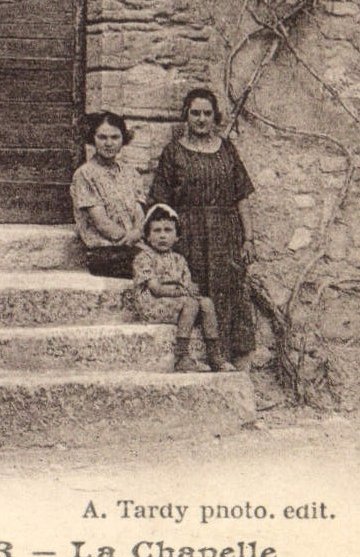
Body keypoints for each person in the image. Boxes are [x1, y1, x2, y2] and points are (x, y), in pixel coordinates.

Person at [147, 86, 256, 367]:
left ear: (215, 117)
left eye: (207, 113)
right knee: (195, 293)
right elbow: (161, 203)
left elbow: (241, 196)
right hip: (189, 235)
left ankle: (230, 358)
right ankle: (192, 357)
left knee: (229, 292)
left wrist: (248, 238)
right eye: (195, 113)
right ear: (186, 115)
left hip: (225, 234)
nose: (201, 119)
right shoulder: (173, 153)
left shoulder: (227, 150)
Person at [130, 204, 235, 372]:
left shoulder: (179, 260)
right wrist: (182, 292)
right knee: (191, 304)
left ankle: (214, 354)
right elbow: (155, 289)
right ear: (148, 236)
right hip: (153, 304)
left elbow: (188, 285)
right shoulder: (144, 258)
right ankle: (182, 356)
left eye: (168, 230)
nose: (162, 236)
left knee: (206, 303)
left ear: (177, 236)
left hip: (177, 301)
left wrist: (191, 291)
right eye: (156, 231)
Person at [70, 111, 145, 276]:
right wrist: (130, 238)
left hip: (133, 247)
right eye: (102, 137)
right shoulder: (85, 174)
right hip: (105, 252)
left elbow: (139, 212)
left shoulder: (131, 173)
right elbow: (102, 223)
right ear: (93, 139)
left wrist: (138, 231)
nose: (109, 143)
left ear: (123, 139)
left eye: (115, 137)